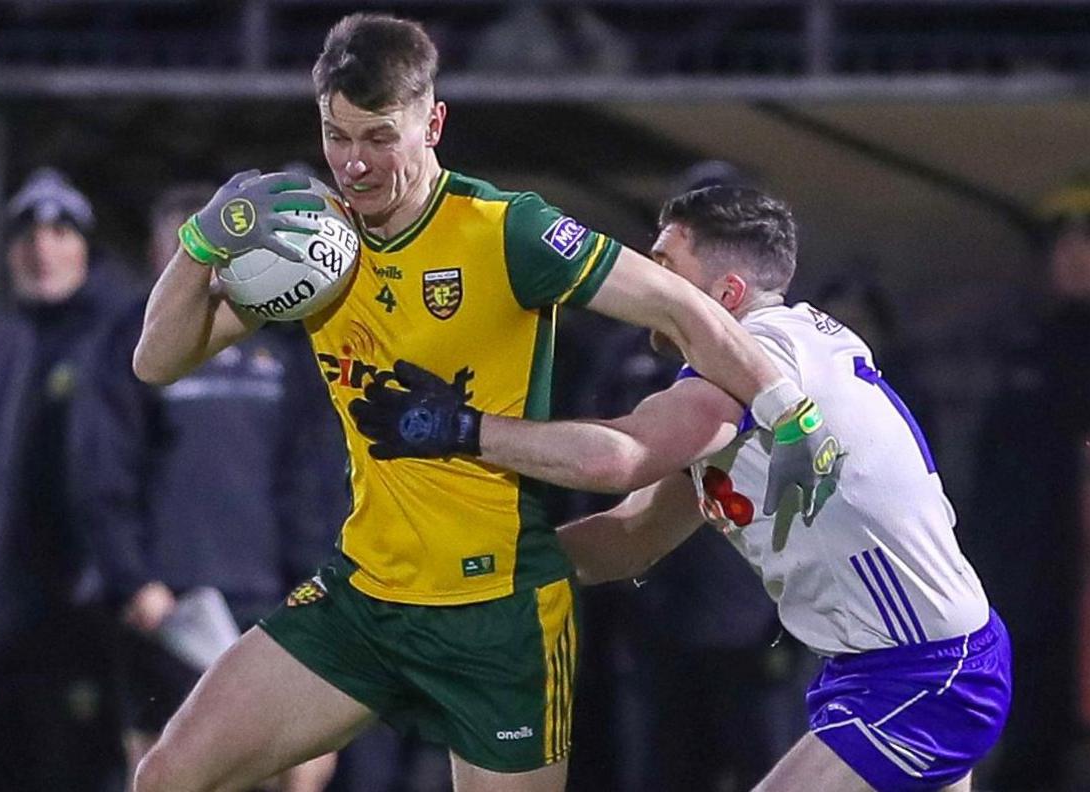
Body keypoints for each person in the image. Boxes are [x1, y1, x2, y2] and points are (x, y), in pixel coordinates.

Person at [129, 13, 815, 792]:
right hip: (366, 597)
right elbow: (156, 360)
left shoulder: (509, 232)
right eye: (336, 134)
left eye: (379, 137)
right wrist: (203, 243)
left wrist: (790, 416)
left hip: (500, 619)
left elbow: (684, 311)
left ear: (433, 123)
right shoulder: (317, 243)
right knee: (166, 778)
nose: (353, 165)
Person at [353, 186, 1012, 792]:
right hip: (894, 664)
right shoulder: (791, 351)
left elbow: (620, 456)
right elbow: (631, 539)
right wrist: (487, 569)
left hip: (925, 672)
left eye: (663, 263)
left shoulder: (752, 361)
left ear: (724, 295)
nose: (641, 280)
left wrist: (459, 429)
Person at [69, 184, 345, 791]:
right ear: (156, 252)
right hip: (171, 601)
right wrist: (133, 580)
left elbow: (307, 474)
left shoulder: (278, 340)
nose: (198, 258)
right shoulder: (126, 344)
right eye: (182, 246)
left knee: (301, 761)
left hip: (269, 595)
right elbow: (101, 470)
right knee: (166, 766)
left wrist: (315, 578)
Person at [0, 167, 132, 792]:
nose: (41, 249)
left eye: (59, 231)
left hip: (85, 616)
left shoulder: (118, 341)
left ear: (85, 246)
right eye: (27, 233)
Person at [966, 176, 1090, 790]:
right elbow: (992, 483)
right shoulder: (1025, 349)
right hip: (1030, 599)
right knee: (1026, 753)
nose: (1075, 252)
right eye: (1060, 239)